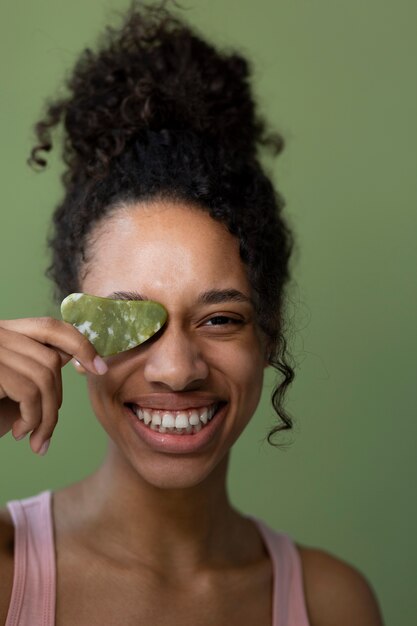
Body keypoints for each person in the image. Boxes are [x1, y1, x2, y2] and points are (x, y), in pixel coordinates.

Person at [0, 2, 384, 624]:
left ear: (270, 330)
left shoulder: (334, 603)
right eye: (132, 318)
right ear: (72, 331)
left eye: (220, 318)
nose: (177, 370)